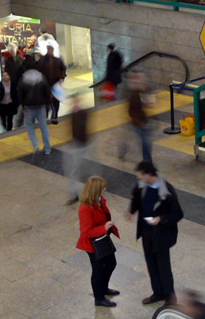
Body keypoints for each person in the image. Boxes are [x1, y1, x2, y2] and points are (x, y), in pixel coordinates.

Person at [123, 161, 184, 305]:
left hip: (161, 235)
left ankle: (170, 296)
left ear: (148, 174)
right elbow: (136, 199)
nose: (139, 179)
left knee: (163, 266)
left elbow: (178, 214)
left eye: (140, 176)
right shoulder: (142, 186)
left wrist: (161, 219)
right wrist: (131, 211)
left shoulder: (166, 191)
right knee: (151, 264)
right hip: (146, 232)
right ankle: (158, 293)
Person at [77, 176, 120, 308]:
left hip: (102, 240)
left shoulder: (99, 201)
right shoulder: (85, 208)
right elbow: (86, 232)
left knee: (111, 263)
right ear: (96, 191)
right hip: (92, 245)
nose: (105, 189)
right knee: (98, 270)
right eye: (103, 188)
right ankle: (99, 298)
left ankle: (104, 288)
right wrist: (104, 228)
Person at [18, 57, 52, 154]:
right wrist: (47, 102)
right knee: (43, 126)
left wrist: (23, 105)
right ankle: (47, 148)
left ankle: (35, 144)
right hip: (41, 106)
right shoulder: (41, 77)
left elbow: (20, 94)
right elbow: (47, 91)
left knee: (29, 126)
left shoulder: (23, 79)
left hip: (28, 107)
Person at [65, 95, 90, 206]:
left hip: (82, 144)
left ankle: (77, 194)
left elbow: (81, 129)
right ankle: (74, 194)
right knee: (75, 170)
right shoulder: (73, 114)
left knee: (77, 170)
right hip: (77, 144)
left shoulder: (82, 113)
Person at [122, 72, 153, 162]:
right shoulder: (133, 95)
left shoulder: (140, 93)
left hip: (142, 121)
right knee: (144, 142)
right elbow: (131, 112)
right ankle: (147, 161)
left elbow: (146, 98)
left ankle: (147, 160)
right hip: (138, 122)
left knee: (145, 142)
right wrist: (139, 123)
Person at [40, 45, 66, 124]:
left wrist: (61, 78)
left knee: (56, 101)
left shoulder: (57, 60)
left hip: (55, 84)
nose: (51, 52)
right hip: (46, 84)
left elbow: (63, 68)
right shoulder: (43, 60)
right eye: (49, 50)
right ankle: (45, 116)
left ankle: (54, 117)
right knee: (46, 101)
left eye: (52, 50)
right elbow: (39, 70)